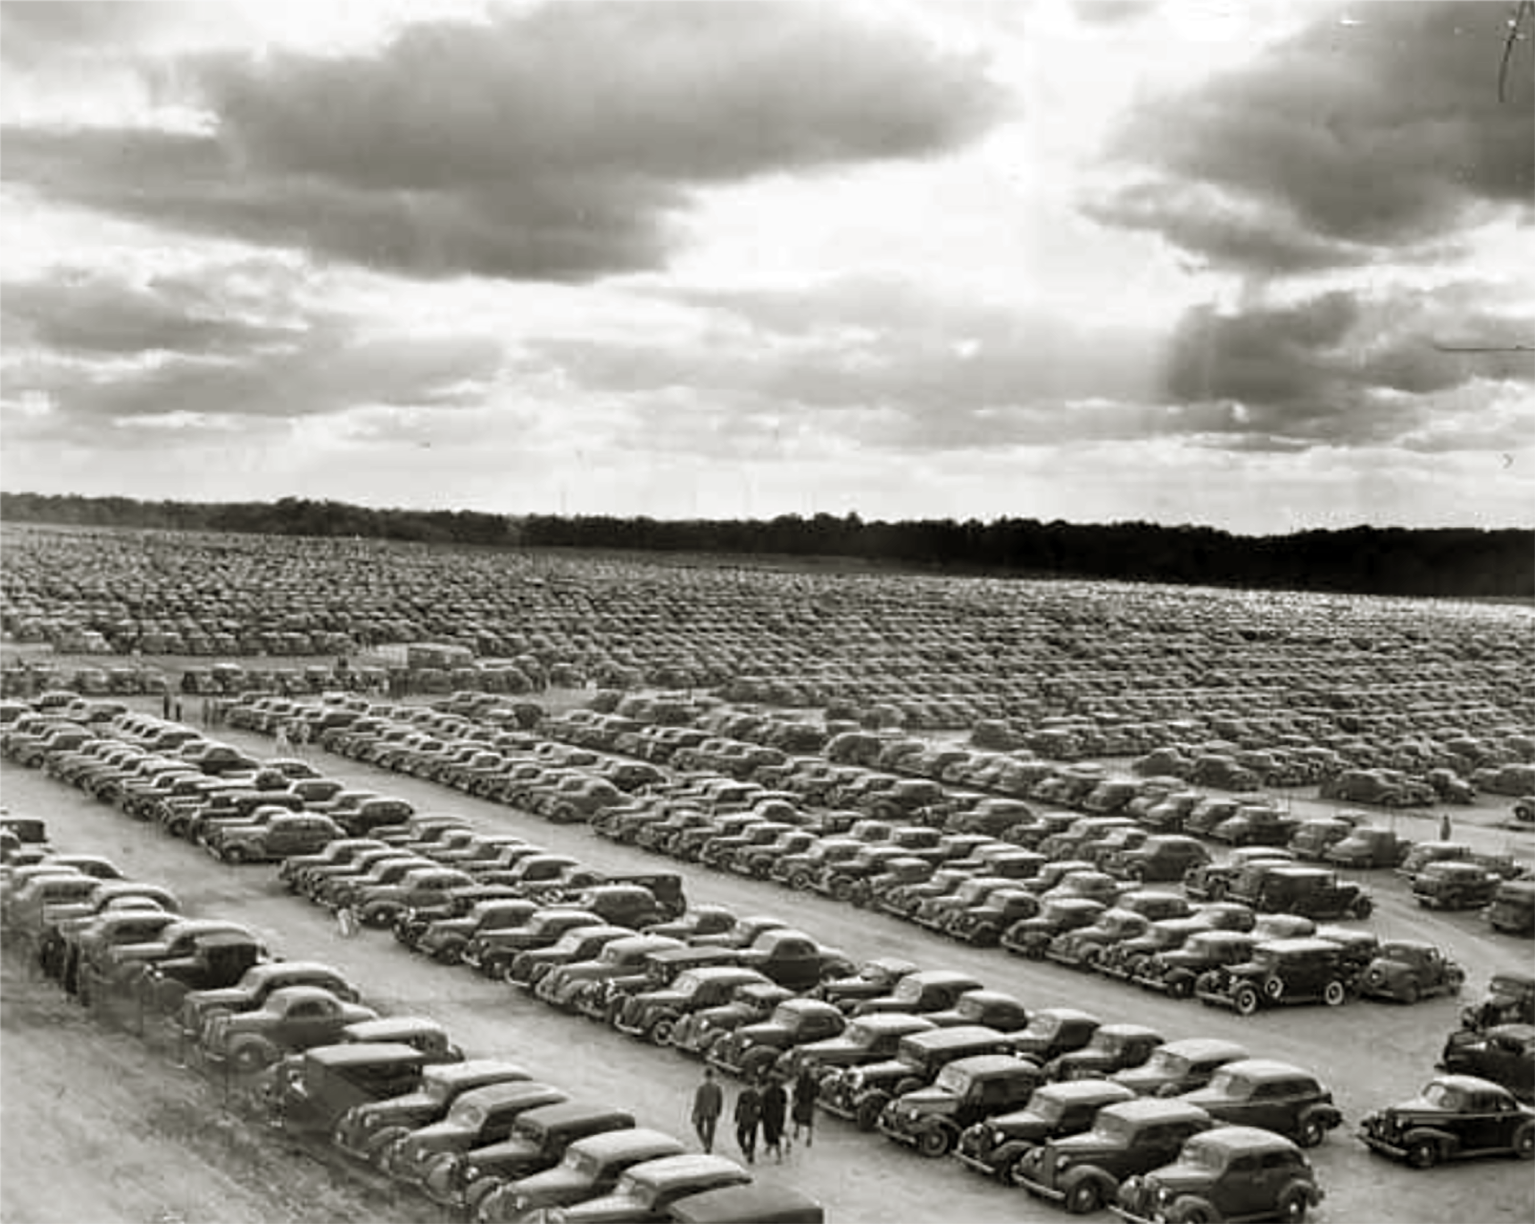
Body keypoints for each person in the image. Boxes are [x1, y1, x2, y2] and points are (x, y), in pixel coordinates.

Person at [692, 1068, 723, 1154]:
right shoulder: (717, 1088)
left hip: (702, 1111)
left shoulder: (701, 1088)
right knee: (711, 1131)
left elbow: (698, 1102)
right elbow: (720, 1100)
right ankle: (708, 1146)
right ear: (712, 1077)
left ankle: (706, 1144)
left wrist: (694, 1113)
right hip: (713, 1112)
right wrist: (719, 1111)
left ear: (705, 1076)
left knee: (699, 1129)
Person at [734, 1079, 763, 1164]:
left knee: (740, 1135)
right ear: (755, 1086)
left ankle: (745, 1149)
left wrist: (736, 1117)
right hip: (753, 1121)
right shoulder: (758, 1096)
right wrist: (759, 1118)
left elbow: (738, 1106)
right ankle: (751, 1154)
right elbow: (758, 1110)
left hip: (744, 1119)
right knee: (752, 1138)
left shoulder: (743, 1094)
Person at [760, 1074, 788, 1162]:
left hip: (770, 1118)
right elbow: (784, 1103)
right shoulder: (782, 1091)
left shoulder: (767, 1092)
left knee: (773, 1136)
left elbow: (762, 1104)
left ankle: (779, 1157)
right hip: (779, 1117)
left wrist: (761, 1116)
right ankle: (769, 1149)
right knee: (774, 1134)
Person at [790, 1065, 817, 1148]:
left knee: (798, 1118)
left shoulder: (800, 1080)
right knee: (809, 1122)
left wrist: (795, 1098)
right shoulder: (813, 1081)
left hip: (801, 1103)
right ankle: (809, 1138)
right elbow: (817, 1091)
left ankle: (796, 1132)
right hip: (809, 1104)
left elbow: (796, 1091)